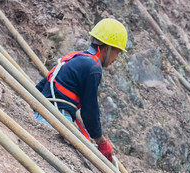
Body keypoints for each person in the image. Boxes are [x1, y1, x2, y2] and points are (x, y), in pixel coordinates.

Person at [35, 19, 127, 162]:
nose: (116, 58)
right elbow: (89, 111)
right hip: (56, 117)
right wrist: (101, 141)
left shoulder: (76, 56)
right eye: (118, 52)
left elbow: (44, 83)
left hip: (43, 112)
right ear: (107, 48)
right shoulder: (93, 68)